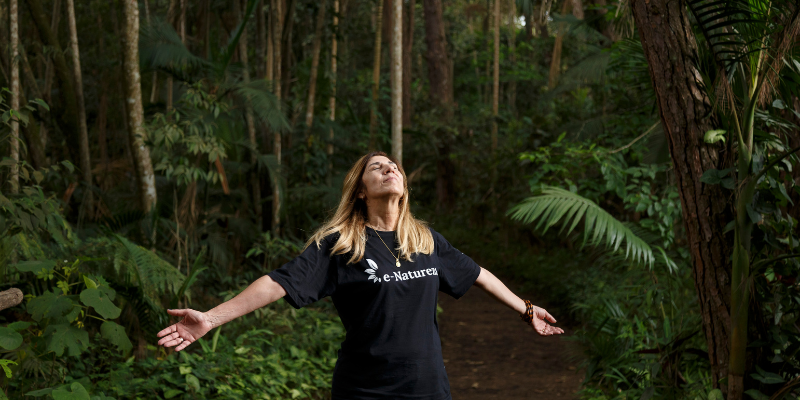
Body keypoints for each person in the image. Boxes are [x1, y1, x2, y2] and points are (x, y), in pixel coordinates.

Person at [157, 151, 564, 399]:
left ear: (403, 186)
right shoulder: (341, 245)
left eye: (393, 166)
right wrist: (210, 318)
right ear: (361, 191)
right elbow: (279, 282)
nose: (389, 169)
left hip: (427, 387)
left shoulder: (424, 240)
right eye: (377, 167)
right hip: (366, 389)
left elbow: (476, 274)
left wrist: (526, 310)